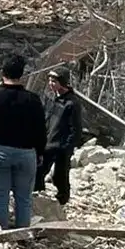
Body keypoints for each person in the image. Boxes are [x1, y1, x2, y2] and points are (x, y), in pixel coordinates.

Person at [0, 55, 44, 228]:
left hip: (0, 151)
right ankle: (22, 233)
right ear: (22, 75)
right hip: (26, 153)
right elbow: (41, 130)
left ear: (2, 73)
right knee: (24, 198)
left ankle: (0, 234)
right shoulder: (33, 99)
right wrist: (40, 152)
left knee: (0, 195)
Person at [37, 68, 85, 205]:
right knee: (39, 171)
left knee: (60, 175)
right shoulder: (50, 97)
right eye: (49, 80)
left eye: (54, 81)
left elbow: (76, 129)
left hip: (62, 145)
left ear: (62, 82)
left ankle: (62, 200)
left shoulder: (72, 103)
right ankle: (37, 196)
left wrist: (67, 146)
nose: (50, 84)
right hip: (48, 142)